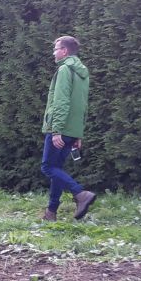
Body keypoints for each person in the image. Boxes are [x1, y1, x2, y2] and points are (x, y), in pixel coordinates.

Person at [40, 35, 96, 221]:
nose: (53, 52)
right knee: (57, 168)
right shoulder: (82, 72)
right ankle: (51, 212)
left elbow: (61, 102)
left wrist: (56, 130)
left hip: (60, 128)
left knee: (48, 167)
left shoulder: (65, 70)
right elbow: (82, 105)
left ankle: (80, 194)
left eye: (56, 49)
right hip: (72, 130)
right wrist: (78, 133)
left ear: (64, 51)